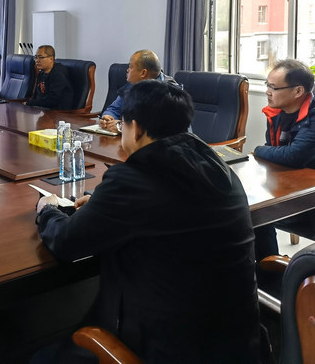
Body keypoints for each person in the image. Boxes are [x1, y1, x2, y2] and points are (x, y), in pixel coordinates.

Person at [32, 80, 260, 363]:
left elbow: (67, 242)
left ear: (136, 128)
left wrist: (47, 209)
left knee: (41, 357)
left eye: (123, 125)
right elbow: (168, 210)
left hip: (169, 349)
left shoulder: (134, 178)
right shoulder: (218, 167)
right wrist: (102, 205)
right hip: (239, 342)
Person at [252, 59, 315, 260]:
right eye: (267, 85)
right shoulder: (278, 112)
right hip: (288, 186)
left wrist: (258, 150)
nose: (268, 92)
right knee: (252, 212)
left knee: (258, 213)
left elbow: (293, 156)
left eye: (273, 87)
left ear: (297, 91)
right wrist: (266, 151)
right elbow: (276, 153)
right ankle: (269, 267)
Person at [99, 50, 178, 131]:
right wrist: (108, 117)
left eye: (130, 67)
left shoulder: (170, 92)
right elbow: (114, 109)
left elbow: (159, 126)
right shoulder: (131, 85)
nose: (127, 70)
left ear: (143, 73)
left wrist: (122, 127)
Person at [24, 45, 73, 110]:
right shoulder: (41, 72)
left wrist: (31, 103)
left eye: (41, 57)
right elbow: (37, 95)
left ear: (51, 59)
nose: (37, 60)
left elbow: (52, 100)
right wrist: (30, 103)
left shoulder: (58, 74)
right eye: (36, 57)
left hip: (57, 112)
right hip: (42, 108)